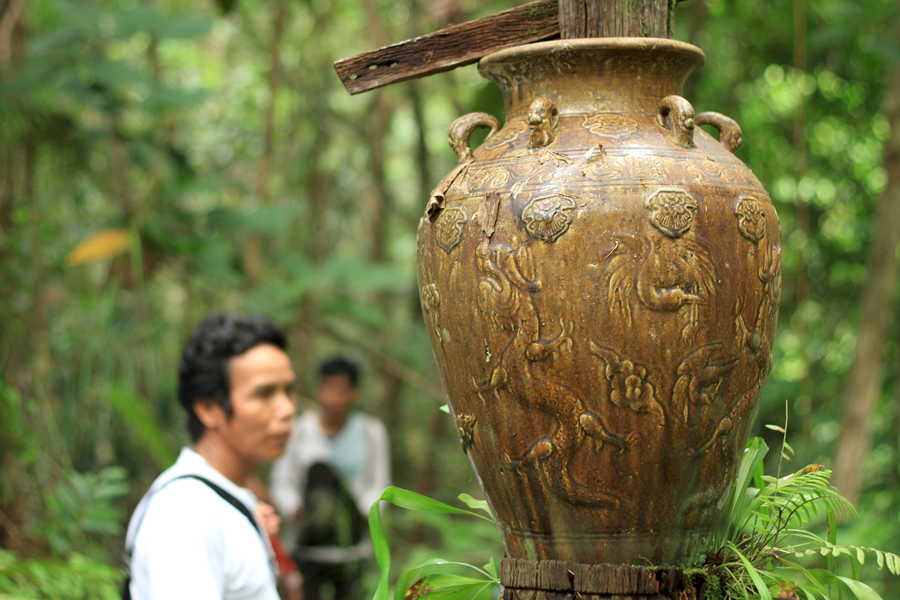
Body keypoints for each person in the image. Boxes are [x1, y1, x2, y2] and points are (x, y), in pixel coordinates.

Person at [123, 313, 296, 600]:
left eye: (288, 390)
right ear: (208, 408)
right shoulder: (185, 513)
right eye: (264, 394)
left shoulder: (223, 501)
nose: (287, 409)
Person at [270, 357, 390, 600]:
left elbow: (380, 484)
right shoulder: (299, 430)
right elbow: (282, 481)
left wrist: (364, 511)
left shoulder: (371, 431)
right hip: (306, 548)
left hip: (351, 550)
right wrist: (295, 509)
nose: (333, 397)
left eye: (341, 389)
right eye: (328, 387)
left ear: (354, 393)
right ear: (318, 389)